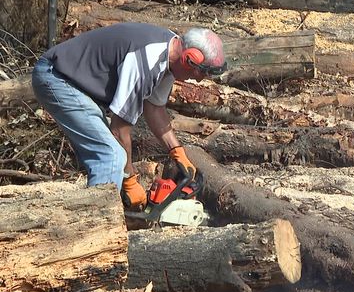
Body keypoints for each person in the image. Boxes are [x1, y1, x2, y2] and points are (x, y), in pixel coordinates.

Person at [32, 22, 226, 208]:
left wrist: (177, 152)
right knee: (111, 157)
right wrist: (130, 180)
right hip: (58, 78)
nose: (200, 79)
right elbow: (119, 129)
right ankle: (97, 227)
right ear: (189, 59)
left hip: (76, 84)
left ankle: (103, 214)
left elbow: (155, 109)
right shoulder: (147, 61)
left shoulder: (167, 58)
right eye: (203, 72)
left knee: (113, 155)